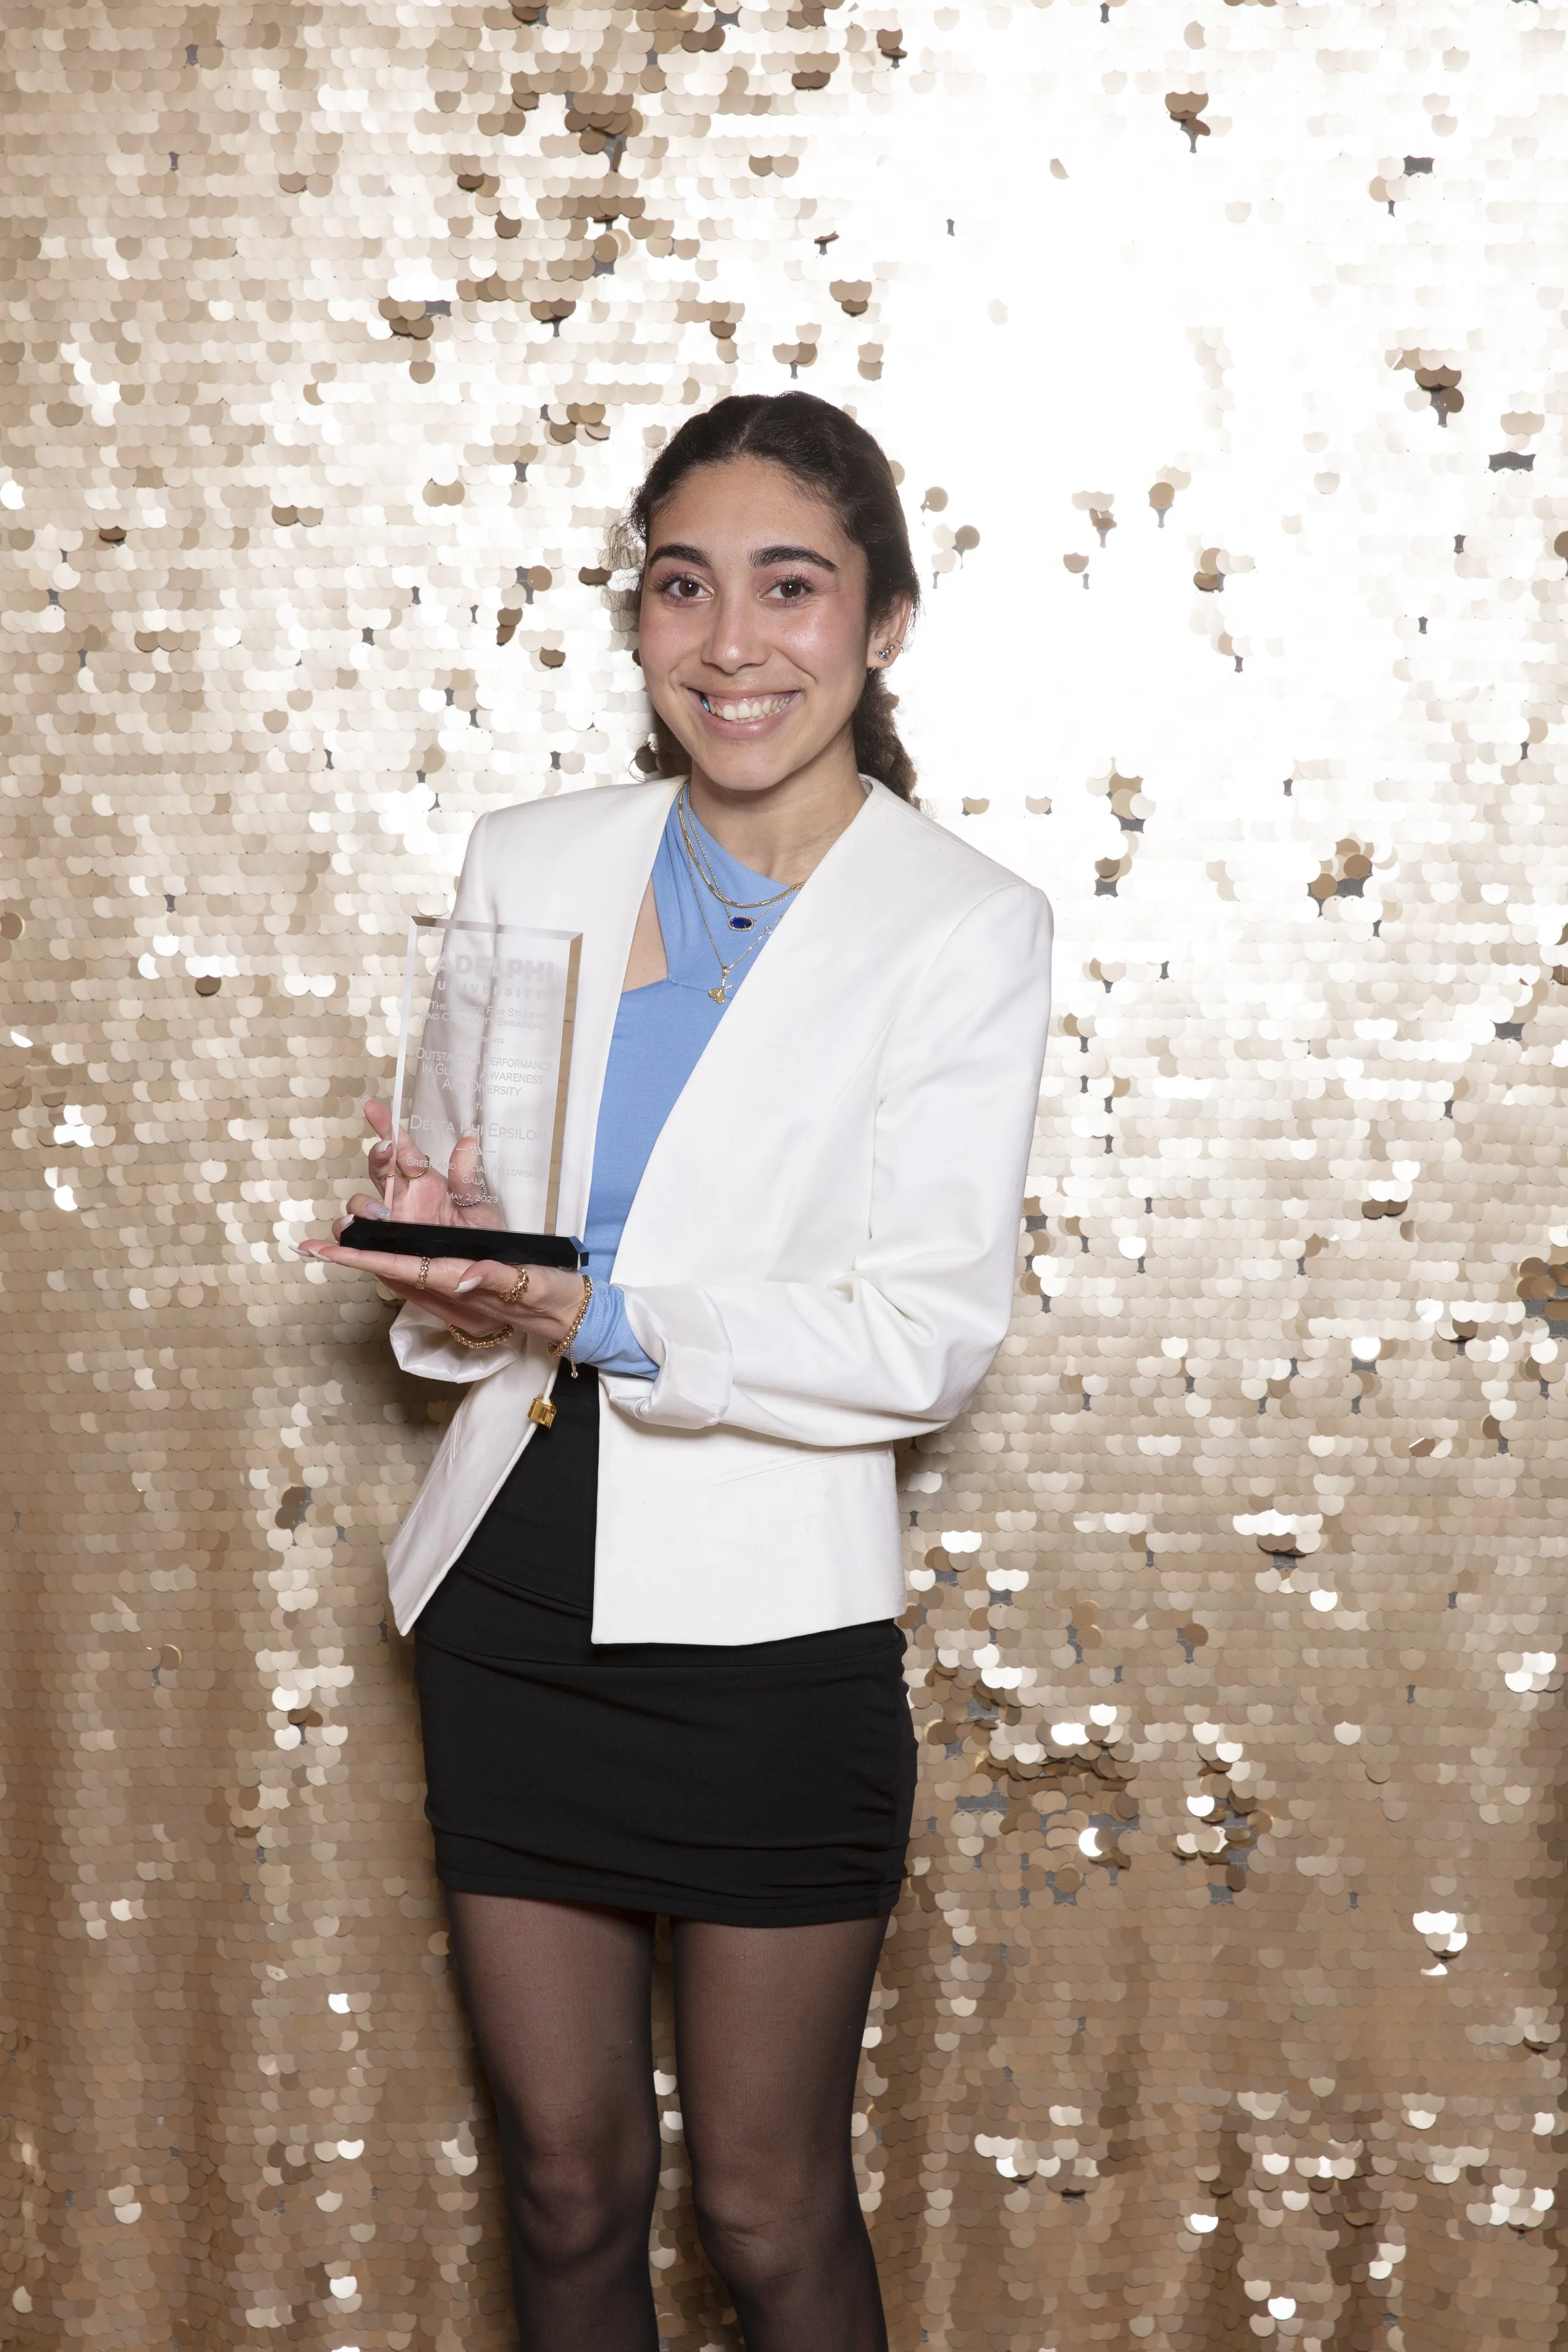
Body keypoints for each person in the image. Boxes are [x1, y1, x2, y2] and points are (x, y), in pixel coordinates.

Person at [302, 391, 1053, 2351]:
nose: (733, 642)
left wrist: (603, 1311)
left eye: (790, 587)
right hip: (512, 1587)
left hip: (766, 1637)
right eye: (683, 585)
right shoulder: (531, 855)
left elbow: (924, 1336)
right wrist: (448, 1261)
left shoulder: (959, 926)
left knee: (763, 2200)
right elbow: (465, 1288)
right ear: (636, 617)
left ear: (880, 620)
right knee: (563, 2179)